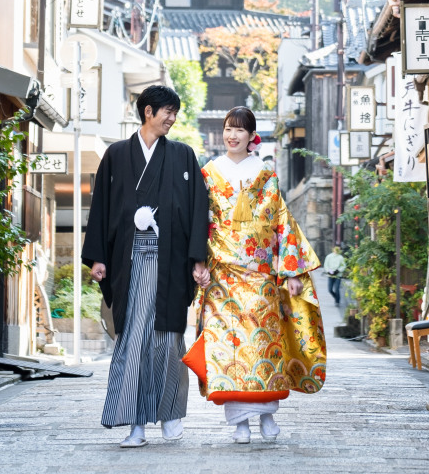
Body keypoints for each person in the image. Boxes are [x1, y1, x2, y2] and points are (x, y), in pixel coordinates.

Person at [82, 84, 209, 448]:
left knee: (168, 340)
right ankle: (134, 423)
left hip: (171, 261)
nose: (172, 118)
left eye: (175, 113)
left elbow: (197, 208)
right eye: (167, 111)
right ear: (148, 112)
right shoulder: (117, 155)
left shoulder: (183, 155)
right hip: (130, 259)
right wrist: (99, 256)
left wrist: (198, 259)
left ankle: (169, 414)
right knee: (133, 339)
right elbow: (102, 206)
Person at [189, 107, 326, 443]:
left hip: (261, 277)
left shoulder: (266, 175)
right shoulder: (209, 173)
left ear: (252, 136)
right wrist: (198, 262)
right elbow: (199, 223)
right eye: (228, 128)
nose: (232, 135)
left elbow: (282, 223)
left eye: (240, 130)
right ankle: (240, 422)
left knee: (265, 346)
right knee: (228, 349)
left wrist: (291, 271)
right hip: (222, 277)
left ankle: (266, 414)